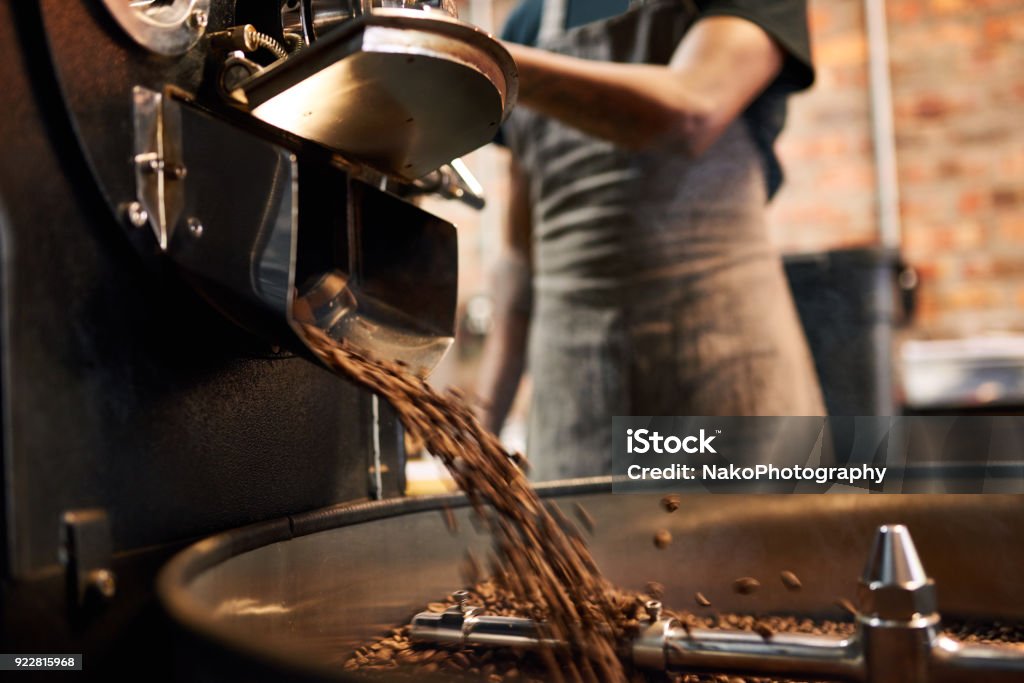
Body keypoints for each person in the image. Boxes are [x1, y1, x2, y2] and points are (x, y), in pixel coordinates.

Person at [475, 0, 826, 481]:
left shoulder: (505, 52)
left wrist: (482, 59)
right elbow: (520, 256)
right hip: (573, 390)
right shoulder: (526, 24)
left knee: (751, 552)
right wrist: (479, 427)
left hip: (722, 371)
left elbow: (693, 109)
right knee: (575, 555)